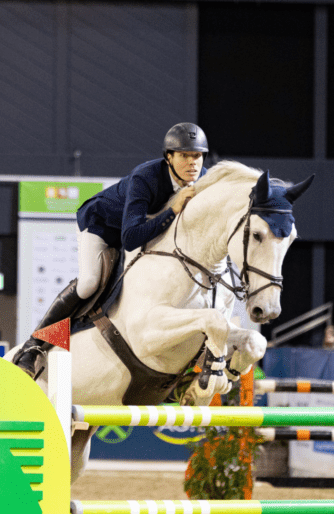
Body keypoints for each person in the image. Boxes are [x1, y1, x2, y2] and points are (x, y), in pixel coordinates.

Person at [14, 123, 210, 376]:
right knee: (89, 283)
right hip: (102, 225)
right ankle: (33, 346)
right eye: (184, 155)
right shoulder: (146, 177)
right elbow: (130, 238)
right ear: (169, 157)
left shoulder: (203, 178)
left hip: (142, 229)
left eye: (197, 155)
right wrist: (173, 209)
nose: (192, 163)